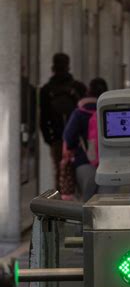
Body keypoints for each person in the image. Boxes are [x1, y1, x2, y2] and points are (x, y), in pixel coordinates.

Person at [62, 78, 108, 201]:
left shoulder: (80, 113)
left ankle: (87, 219)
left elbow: (69, 137)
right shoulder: (110, 112)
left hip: (85, 163)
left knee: (87, 202)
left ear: (88, 91)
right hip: (108, 164)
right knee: (105, 202)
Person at [40, 53, 80, 189]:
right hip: (76, 138)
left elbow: (43, 117)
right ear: (68, 66)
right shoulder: (78, 87)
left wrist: (49, 139)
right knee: (76, 170)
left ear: (53, 66)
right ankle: (76, 200)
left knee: (59, 171)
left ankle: (62, 200)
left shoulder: (46, 90)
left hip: (56, 137)